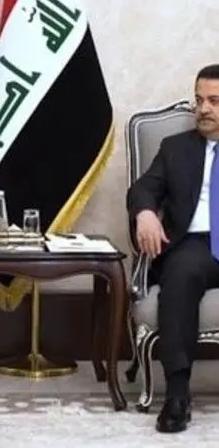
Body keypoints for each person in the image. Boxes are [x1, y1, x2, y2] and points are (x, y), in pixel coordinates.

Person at [127, 63, 219, 434]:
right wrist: (145, 213)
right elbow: (143, 188)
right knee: (180, 274)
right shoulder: (175, 148)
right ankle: (177, 396)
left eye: (214, 101)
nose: (204, 109)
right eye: (199, 100)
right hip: (195, 244)